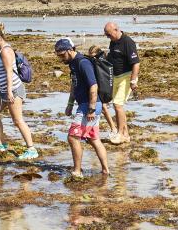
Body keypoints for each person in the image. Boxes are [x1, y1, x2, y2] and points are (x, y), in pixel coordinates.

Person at [55, 38, 109, 178]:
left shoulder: (83, 63)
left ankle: (77, 171)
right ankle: (105, 170)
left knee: (73, 137)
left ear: (70, 50)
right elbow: (75, 85)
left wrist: (91, 109)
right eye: (58, 55)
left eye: (62, 55)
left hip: (88, 106)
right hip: (85, 105)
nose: (60, 58)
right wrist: (70, 104)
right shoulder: (73, 64)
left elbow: (93, 86)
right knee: (93, 139)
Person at [0, 25, 38, 160]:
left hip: (13, 89)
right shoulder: (1, 50)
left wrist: (9, 91)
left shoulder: (5, 51)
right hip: (3, 90)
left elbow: (9, 71)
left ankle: (31, 149)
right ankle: (0, 143)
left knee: (17, 120)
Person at [103, 21, 140, 145]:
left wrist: (133, 80)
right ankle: (126, 135)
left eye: (109, 34)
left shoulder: (128, 42)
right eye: (106, 35)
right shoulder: (113, 42)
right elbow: (112, 58)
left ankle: (119, 134)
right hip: (116, 77)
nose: (108, 37)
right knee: (116, 105)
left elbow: (136, 63)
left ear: (116, 30)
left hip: (127, 77)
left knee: (118, 105)